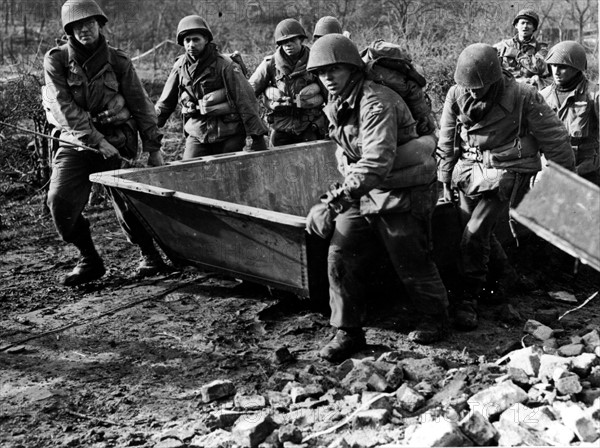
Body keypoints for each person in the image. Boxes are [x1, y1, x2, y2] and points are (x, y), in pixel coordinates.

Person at [305, 34, 450, 362]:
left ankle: (435, 316)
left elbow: (377, 159)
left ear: (352, 69)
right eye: (321, 72)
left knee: (409, 255)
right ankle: (348, 329)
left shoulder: (375, 101)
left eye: (335, 70)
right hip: (365, 187)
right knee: (340, 255)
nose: (327, 78)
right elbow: (350, 152)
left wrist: (334, 200)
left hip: (402, 187)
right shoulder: (338, 101)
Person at [437, 43, 575, 330]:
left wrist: (565, 183)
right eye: (468, 87)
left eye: (479, 87)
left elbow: (555, 139)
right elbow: (447, 141)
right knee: (473, 229)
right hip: (468, 172)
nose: (473, 92)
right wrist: (444, 178)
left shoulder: (524, 96)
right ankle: (503, 279)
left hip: (508, 171)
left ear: (495, 78)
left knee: (474, 234)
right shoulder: (455, 94)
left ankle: (468, 299)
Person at [43, 0, 167, 286]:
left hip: (118, 140)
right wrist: (96, 140)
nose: (84, 29)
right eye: (76, 25)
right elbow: (63, 107)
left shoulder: (118, 61)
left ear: (100, 24)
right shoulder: (56, 60)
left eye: (89, 23)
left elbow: (140, 103)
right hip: (76, 143)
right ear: (68, 30)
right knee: (59, 201)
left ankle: (150, 256)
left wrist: (153, 148)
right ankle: (89, 259)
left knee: (127, 201)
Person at [155, 15, 268, 159]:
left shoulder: (226, 65)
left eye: (196, 39)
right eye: (187, 40)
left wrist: (257, 137)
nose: (191, 45)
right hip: (197, 131)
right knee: (189, 171)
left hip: (230, 132)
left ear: (206, 40)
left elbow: (246, 100)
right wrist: (150, 130)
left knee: (228, 173)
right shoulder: (180, 66)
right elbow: (165, 103)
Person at [249, 18, 327, 147]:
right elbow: (248, 93)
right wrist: (267, 98)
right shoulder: (270, 64)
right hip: (280, 128)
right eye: (284, 41)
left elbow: (330, 95)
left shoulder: (315, 60)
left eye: (292, 40)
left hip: (308, 126)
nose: (288, 44)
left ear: (301, 39)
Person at [540, 41, 599, 185]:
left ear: (577, 68)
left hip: (586, 172)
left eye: (563, 67)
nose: (556, 72)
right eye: (554, 66)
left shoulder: (594, 94)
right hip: (552, 169)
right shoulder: (543, 96)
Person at [494, 8, 550, 89]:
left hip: (529, 89)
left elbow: (539, 68)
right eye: (522, 23)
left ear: (534, 28)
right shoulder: (504, 45)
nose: (525, 26)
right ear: (516, 25)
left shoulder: (541, 48)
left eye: (529, 23)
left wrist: (517, 54)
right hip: (506, 88)